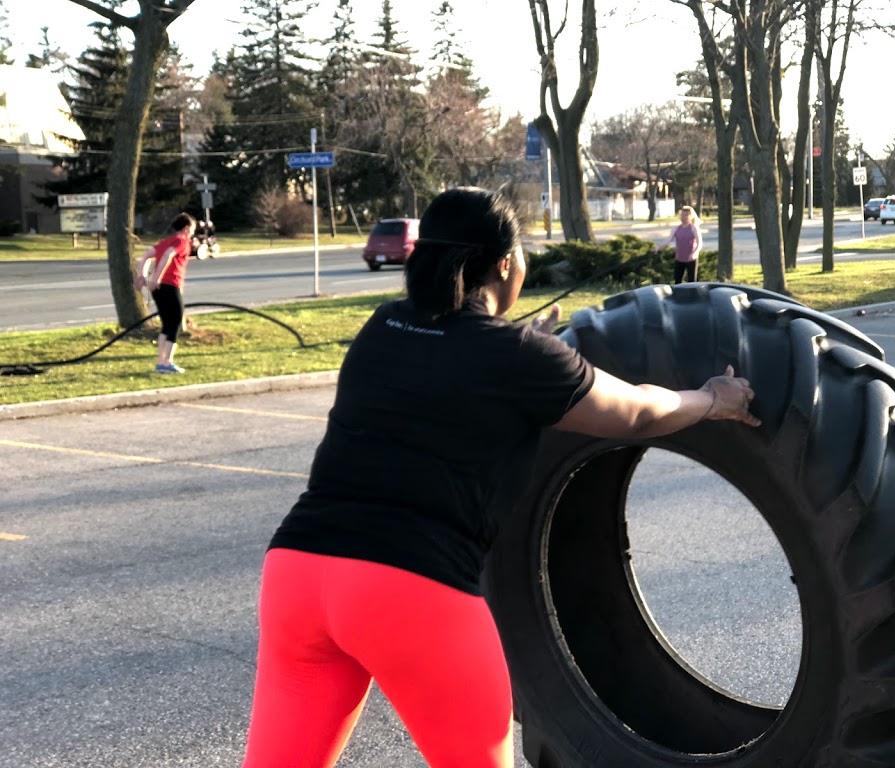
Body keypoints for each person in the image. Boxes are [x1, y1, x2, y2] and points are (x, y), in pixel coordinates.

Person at [241, 187, 759, 768]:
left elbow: (446, 372)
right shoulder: (516, 357)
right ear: (506, 263)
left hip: (297, 577)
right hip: (411, 591)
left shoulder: (385, 326)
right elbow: (637, 410)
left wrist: (528, 348)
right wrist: (712, 399)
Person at [134, 212, 196, 374]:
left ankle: (161, 362)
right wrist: (157, 277)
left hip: (158, 289)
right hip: (170, 285)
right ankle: (167, 362)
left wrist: (142, 276)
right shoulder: (182, 241)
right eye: (193, 230)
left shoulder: (164, 242)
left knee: (166, 323)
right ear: (187, 229)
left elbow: (146, 256)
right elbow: (169, 254)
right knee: (175, 321)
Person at [658, 205, 703, 284]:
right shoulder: (676, 228)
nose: (683, 217)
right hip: (679, 258)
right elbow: (668, 240)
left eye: (686, 215)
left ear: (690, 216)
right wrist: (658, 247)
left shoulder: (694, 228)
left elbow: (700, 243)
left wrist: (694, 253)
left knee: (692, 282)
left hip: (691, 259)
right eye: (682, 215)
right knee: (677, 281)